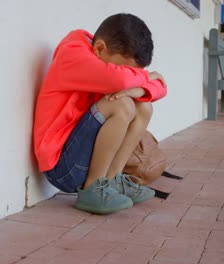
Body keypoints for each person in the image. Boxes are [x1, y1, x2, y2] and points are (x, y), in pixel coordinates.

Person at [33, 13, 167, 214]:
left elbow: (161, 87)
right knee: (121, 105)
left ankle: (112, 180)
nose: (131, 76)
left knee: (144, 106)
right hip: (62, 168)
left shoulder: (103, 53)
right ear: (100, 48)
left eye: (135, 72)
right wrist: (148, 77)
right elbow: (121, 81)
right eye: (126, 70)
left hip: (82, 157)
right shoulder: (73, 55)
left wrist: (141, 88)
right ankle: (92, 189)